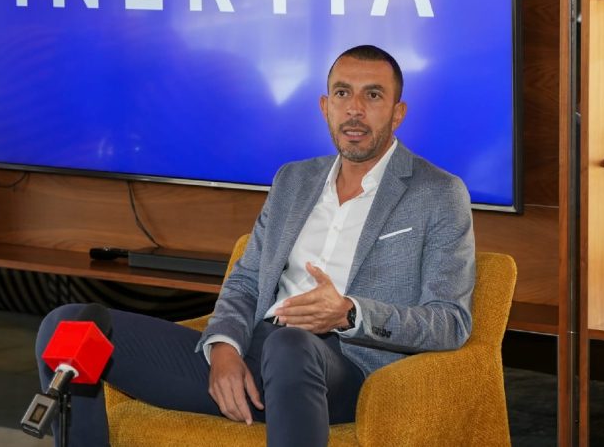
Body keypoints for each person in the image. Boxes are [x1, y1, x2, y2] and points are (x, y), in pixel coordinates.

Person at [35, 45, 476, 447]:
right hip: (255, 355)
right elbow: (245, 281)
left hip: (345, 370)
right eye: (342, 93)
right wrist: (224, 347)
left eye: (373, 95)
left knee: (291, 347)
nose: (355, 109)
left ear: (398, 113)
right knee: (68, 326)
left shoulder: (437, 193)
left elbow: (450, 322)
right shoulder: (293, 180)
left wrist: (349, 313)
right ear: (325, 107)